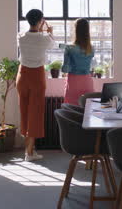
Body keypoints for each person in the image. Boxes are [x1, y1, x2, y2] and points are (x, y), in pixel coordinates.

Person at [17, 9, 54, 162]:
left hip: (22, 75)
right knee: (35, 113)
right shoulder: (45, 38)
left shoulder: (20, 36)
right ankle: (29, 152)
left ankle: (29, 150)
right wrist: (49, 31)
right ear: (41, 21)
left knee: (24, 111)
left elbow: (31, 38)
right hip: (37, 76)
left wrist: (40, 28)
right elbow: (52, 44)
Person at [62, 18, 95, 105]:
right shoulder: (91, 48)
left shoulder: (69, 48)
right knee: (87, 111)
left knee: (72, 112)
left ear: (76, 30)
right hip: (87, 81)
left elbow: (65, 69)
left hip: (74, 83)